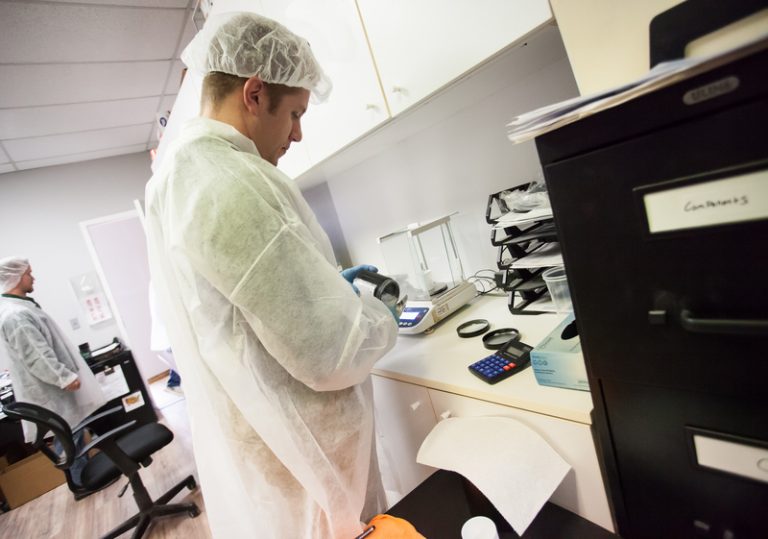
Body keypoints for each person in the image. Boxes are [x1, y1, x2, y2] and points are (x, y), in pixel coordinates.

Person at [144, 12, 399, 538]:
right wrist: (380, 315)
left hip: (266, 437)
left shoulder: (180, 175)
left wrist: (326, 288)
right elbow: (332, 355)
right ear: (255, 93)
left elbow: (241, 304)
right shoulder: (232, 178)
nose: (299, 134)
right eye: (296, 114)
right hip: (311, 449)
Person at [0, 257, 107, 485]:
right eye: (29, 273)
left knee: (71, 434)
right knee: (68, 437)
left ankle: (85, 478)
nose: (33, 277)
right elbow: (35, 354)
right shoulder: (15, 315)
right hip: (50, 390)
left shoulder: (20, 308)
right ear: (16, 277)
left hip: (53, 388)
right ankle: (84, 483)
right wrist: (63, 377)